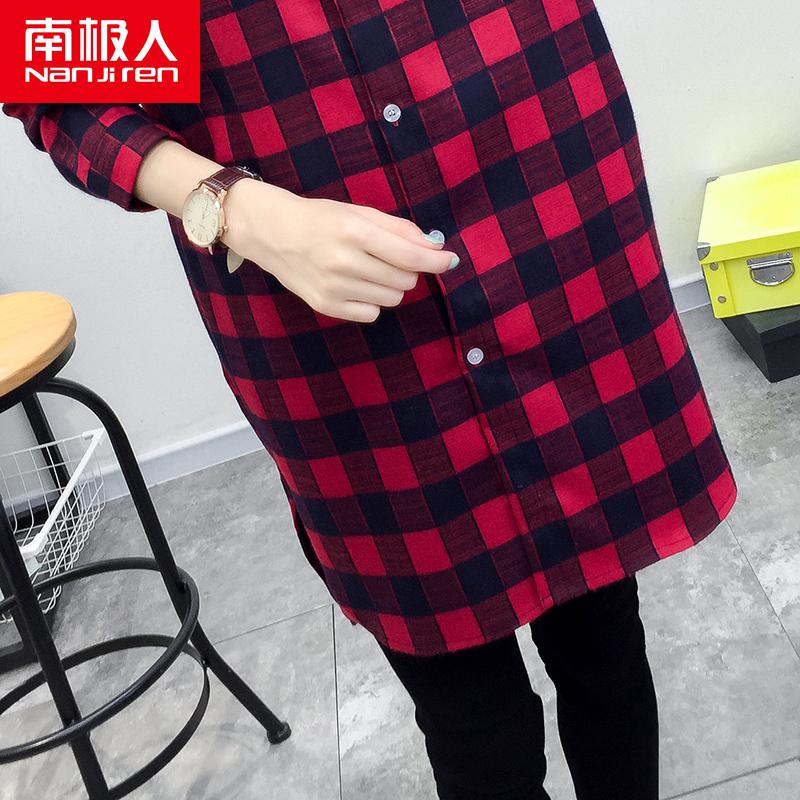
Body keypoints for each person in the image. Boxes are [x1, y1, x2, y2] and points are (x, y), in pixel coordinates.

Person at [4, 2, 738, 797]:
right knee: (471, 716)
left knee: (606, 643)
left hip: (540, 219)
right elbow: (61, 76)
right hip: (331, 320)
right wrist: (235, 205)